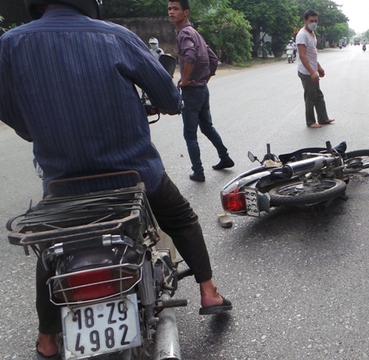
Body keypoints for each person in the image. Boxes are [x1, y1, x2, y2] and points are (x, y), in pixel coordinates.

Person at [0, 1, 232, 358]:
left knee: (53, 249)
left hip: (63, 185)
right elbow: (170, 100)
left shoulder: (10, 43)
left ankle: (47, 339)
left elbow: (8, 108)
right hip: (135, 177)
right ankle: (209, 291)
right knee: (182, 218)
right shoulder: (116, 36)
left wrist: (35, 128)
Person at [168, 0, 234, 182]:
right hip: (202, 89)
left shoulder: (184, 34)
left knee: (190, 134)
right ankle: (225, 157)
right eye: (169, 9)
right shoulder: (195, 33)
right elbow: (212, 58)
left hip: (192, 91)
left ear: (186, 12)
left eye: (175, 9)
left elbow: (190, 56)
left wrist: (186, 79)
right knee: (207, 127)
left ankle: (198, 172)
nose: (171, 12)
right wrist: (205, 79)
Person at [296, 9, 335, 128]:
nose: (314, 23)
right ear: (305, 21)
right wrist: (312, 72)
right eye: (311, 21)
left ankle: (323, 118)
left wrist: (319, 68)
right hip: (306, 72)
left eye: (316, 21)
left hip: (312, 70)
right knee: (310, 97)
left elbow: (312, 55)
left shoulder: (312, 34)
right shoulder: (302, 35)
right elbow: (302, 56)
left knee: (318, 95)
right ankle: (310, 121)